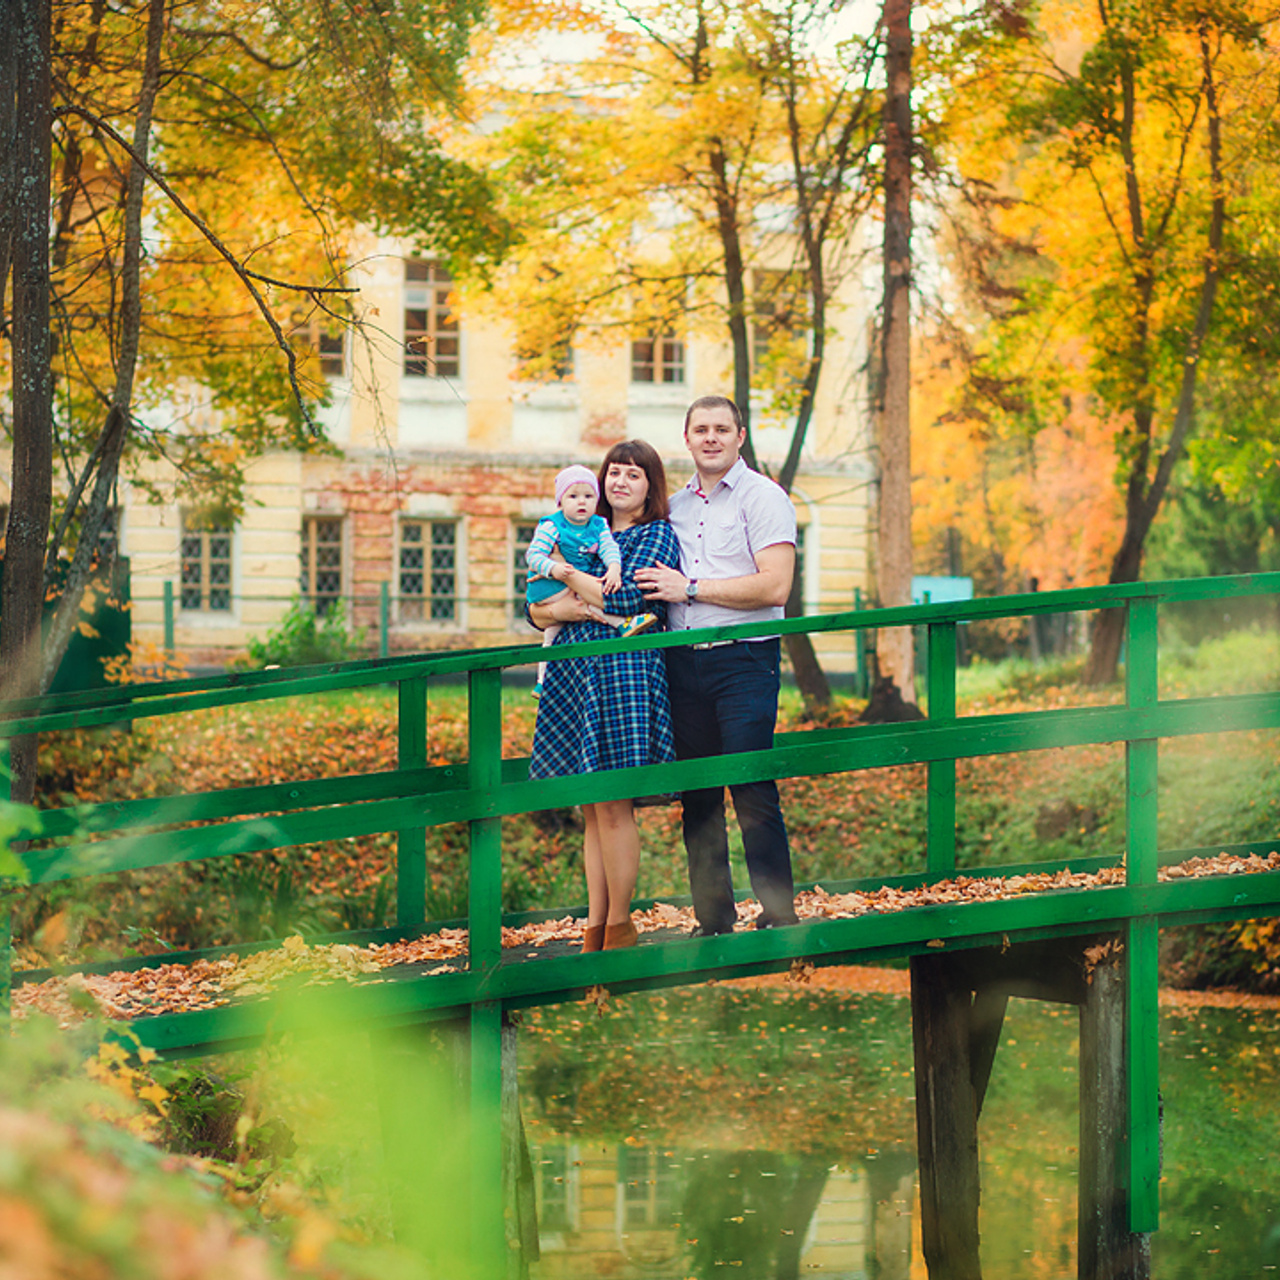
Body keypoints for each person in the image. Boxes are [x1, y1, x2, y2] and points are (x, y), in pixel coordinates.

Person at [634, 395, 799, 936]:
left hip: (744, 660)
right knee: (699, 795)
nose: (711, 438)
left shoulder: (764, 498)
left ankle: (777, 913)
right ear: (686, 438)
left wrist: (694, 588)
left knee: (750, 785)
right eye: (700, 429)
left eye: (721, 429)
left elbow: (775, 585)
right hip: (682, 665)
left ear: (740, 436)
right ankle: (713, 920)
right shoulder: (673, 508)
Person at [528, 441, 681, 951]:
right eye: (613, 473)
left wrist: (568, 577)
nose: (620, 483)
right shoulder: (582, 527)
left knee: (615, 803)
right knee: (592, 806)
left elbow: (629, 597)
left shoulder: (656, 533)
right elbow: (536, 604)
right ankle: (594, 923)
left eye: (633, 476)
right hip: (574, 668)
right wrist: (558, 606)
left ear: (650, 486)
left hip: (624, 669)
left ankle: (620, 922)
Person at [525, 464, 658, 696]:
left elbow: (609, 548)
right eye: (573, 496)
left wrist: (614, 568)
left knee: (551, 635)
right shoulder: (551, 525)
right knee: (586, 598)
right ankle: (622, 623)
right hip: (548, 585)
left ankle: (541, 682)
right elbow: (533, 555)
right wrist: (553, 567)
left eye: (588, 496)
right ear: (560, 501)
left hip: (566, 583)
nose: (581, 502)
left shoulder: (597, 525)